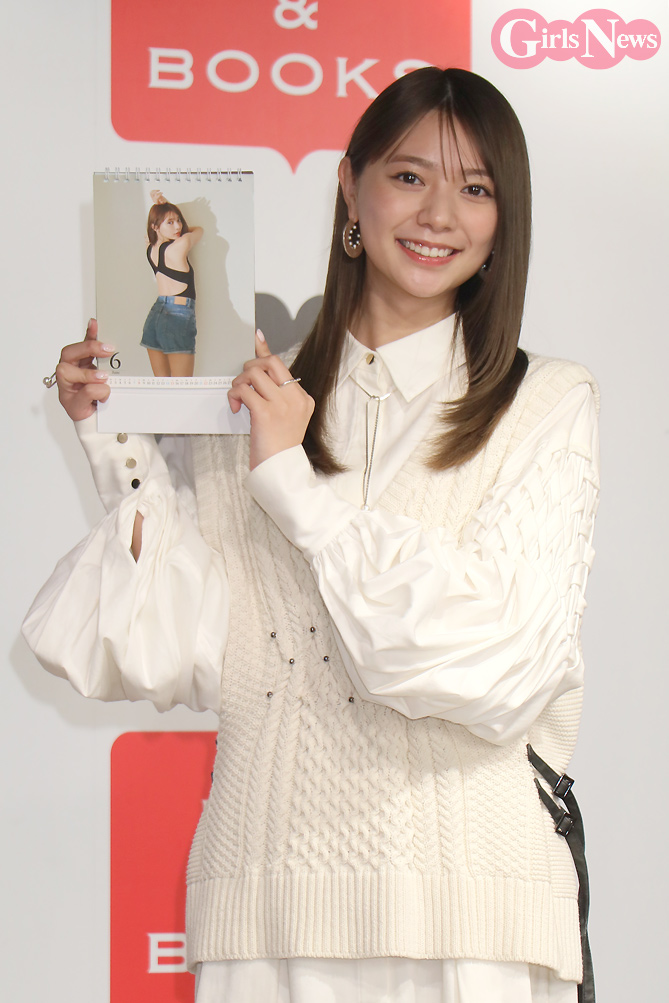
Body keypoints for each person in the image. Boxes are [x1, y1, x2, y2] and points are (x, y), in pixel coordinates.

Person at [24, 67, 599, 1003]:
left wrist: (293, 481)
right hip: (266, 912)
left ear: (504, 220)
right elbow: (187, 650)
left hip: (474, 920)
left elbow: (494, 667)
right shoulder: (241, 396)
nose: (438, 214)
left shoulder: (544, 403)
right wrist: (116, 439)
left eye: (475, 187)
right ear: (349, 187)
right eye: (408, 176)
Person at [141, 189, 203, 377]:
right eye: (170, 222)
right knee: (182, 386)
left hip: (156, 315)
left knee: (162, 385)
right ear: (155, 226)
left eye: (178, 220)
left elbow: (169, 230)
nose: (177, 226)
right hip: (178, 314)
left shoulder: (149, 248)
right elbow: (199, 230)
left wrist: (164, 207)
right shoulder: (180, 245)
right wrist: (166, 204)